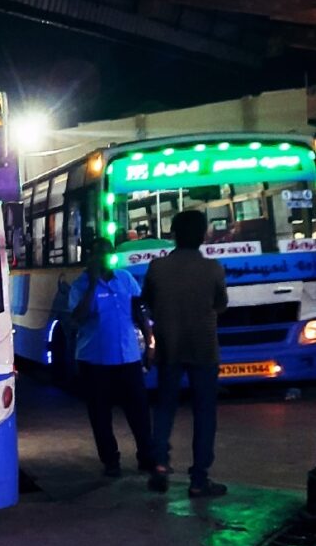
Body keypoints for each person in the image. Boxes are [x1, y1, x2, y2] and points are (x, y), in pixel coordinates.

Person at [142, 209, 229, 497]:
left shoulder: (157, 268)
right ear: (203, 235)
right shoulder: (214, 269)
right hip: (203, 348)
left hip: (169, 346)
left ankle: (160, 466)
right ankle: (199, 478)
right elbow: (221, 304)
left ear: (173, 234)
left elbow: (147, 302)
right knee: (205, 412)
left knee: (165, 407)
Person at [67, 236, 155, 478]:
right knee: (100, 415)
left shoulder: (125, 279)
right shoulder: (80, 285)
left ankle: (146, 457)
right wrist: (93, 284)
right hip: (95, 361)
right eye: (97, 254)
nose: (103, 259)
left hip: (128, 358)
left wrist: (150, 344)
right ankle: (111, 461)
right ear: (89, 257)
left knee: (139, 412)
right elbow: (78, 317)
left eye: (107, 254)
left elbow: (139, 311)